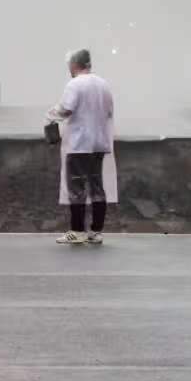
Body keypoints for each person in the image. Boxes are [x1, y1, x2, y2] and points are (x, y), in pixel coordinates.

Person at [47, 48, 115, 245]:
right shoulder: (104, 84)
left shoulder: (75, 84)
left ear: (74, 64)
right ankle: (96, 231)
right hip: (99, 144)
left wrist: (50, 116)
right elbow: (109, 112)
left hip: (79, 145)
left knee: (76, 187)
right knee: (97, 186)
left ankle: (77, 231)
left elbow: (66, 109)